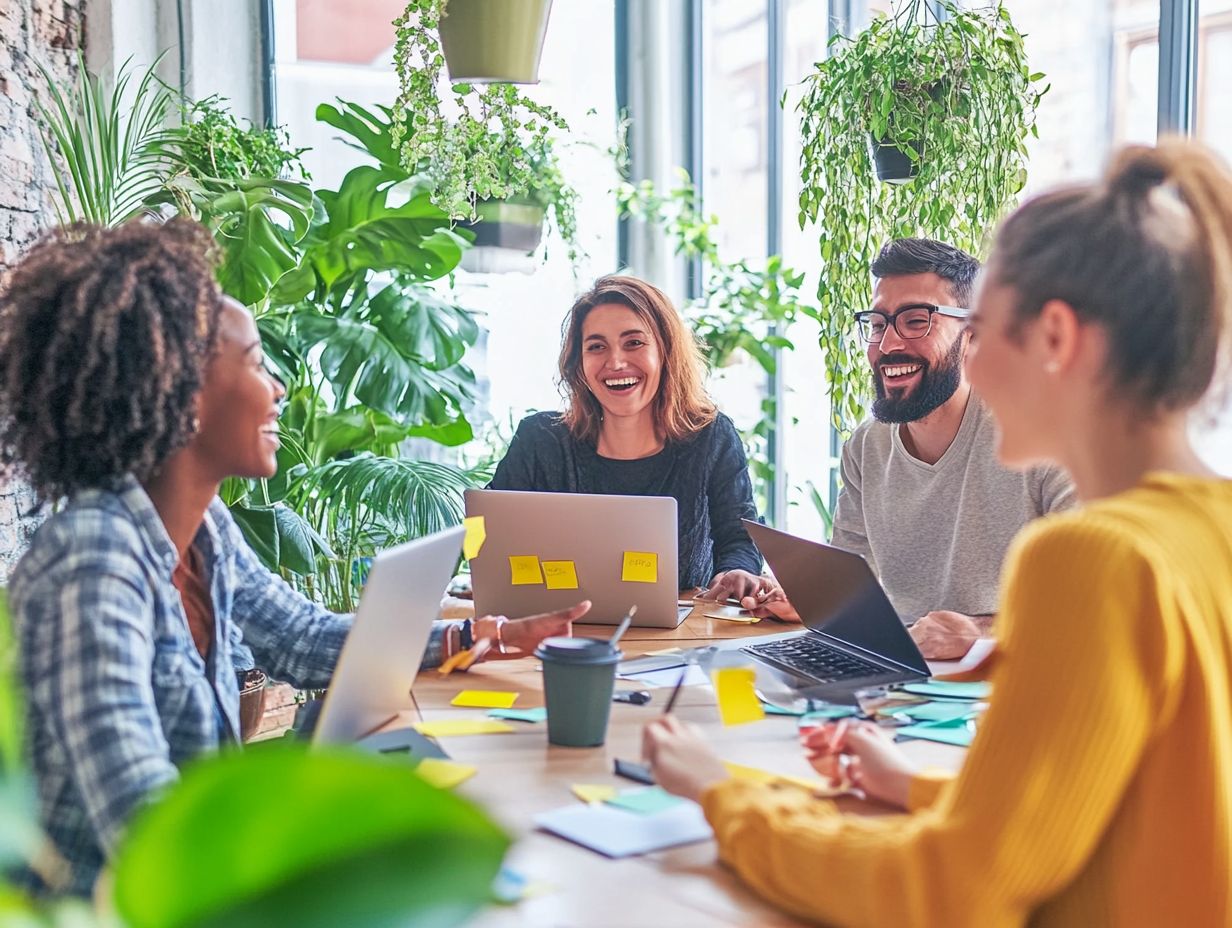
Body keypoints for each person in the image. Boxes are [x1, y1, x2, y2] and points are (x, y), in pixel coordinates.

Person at [643, 140, 1232, 926]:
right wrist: (913, 785)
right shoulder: (1213, 523)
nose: (972, 368)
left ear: (1054, 339)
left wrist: (725, 794)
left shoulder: (1091, 556)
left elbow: (952, 890)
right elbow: (1105, 810)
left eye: (982, 333)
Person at [0, 220, 589, 897]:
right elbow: (147, 828)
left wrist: (472, 636)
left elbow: (301, 638)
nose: (277, 388)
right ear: (180, 390)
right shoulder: (93, 562)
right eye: (254, 361)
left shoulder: (204, 531)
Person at [746, 238, 1073, 659]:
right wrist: (821, 604)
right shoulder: (868, 445)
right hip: (903, 672)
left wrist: (981, 633)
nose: (887, 345)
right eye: (879, 324)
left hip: (1010, 681)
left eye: (916, 321)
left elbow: (1098, 600)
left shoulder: (1044, 437)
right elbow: (855, 586)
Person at [489, 274, 769, 600]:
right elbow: (487, 533)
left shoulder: (710, 438)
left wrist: (736, 573)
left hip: (681, 640)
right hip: (557, 634)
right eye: (596, 347)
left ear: (666, 352)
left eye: (634, 342)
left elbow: (740, 537)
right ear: (579, 364)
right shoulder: (540, 440)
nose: (616, 362)